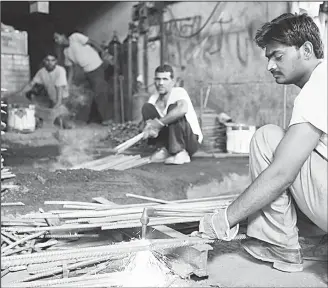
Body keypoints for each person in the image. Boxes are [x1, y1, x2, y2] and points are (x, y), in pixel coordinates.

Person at [195, 13, 327, 273]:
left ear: (307, 50)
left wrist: (225, 219)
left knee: (268, 138)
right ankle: (316, 240)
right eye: (268, 58)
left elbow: (282, 174)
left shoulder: (318, 88)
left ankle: (280, 245)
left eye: (277, 56)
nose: (270, 66)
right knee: (292, 141)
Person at [141, 64, 203, 165]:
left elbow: (182, 109)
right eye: (158, 79)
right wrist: (148, 129)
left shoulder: (178, 92)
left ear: (172, 82)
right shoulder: (153, 98)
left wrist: (159, 123)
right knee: (147, 107)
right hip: (169, 141)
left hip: (189, 140)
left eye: (165, 79)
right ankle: (163, 149)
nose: (160, 83)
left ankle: (180, 152)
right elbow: (150, 123)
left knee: (173, 109)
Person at [53, 30, 112, 125]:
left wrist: (103, 53)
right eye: (55, 39)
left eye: (57, 37)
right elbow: (71, 69)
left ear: (63, 35)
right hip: (87, 72)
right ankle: (90, 119)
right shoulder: (66, 52)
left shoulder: (75, 37)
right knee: (84, 94)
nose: (56, 40)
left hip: (97, 67)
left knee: (100, 92)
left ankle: (107, 119)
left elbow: (92, 42)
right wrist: (68, 84)